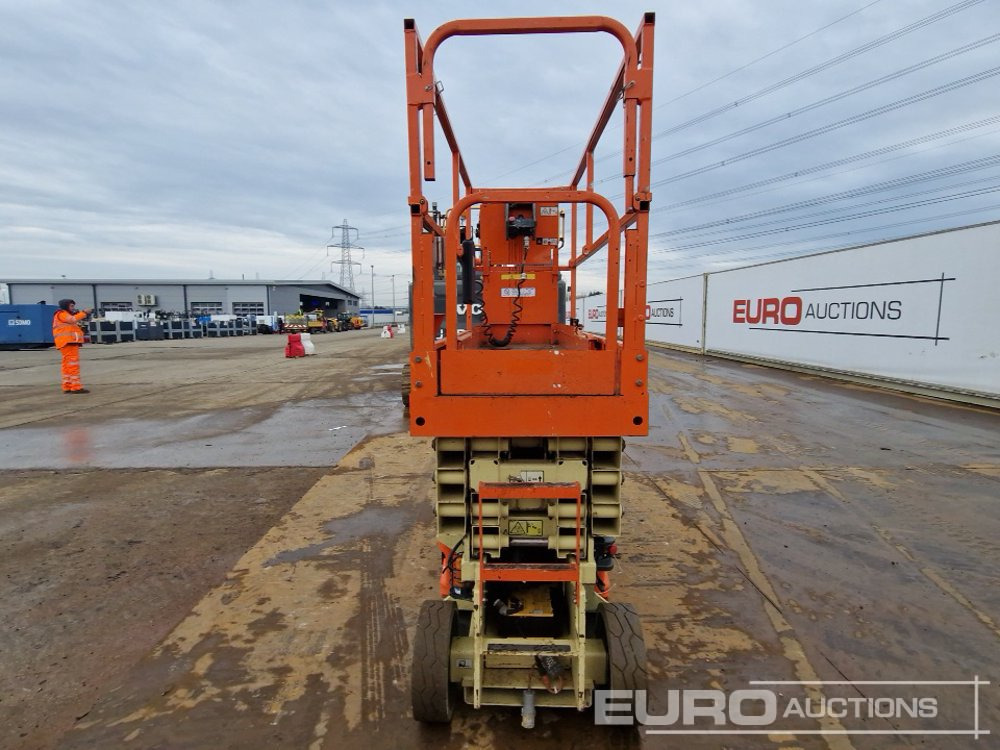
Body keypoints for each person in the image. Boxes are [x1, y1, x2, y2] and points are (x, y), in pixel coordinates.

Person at [52, 299, 93, 394]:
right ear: (65, 306)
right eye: (71, 306)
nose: (73, 308)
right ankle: (76, 387)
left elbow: (72, 321)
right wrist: (84, 313)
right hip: (68, 342)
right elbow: (72, 320)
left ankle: (67, 386)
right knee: (73, 365)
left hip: (66, 342)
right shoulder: (62, 313)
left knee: (67, 365)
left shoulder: (62, 314)